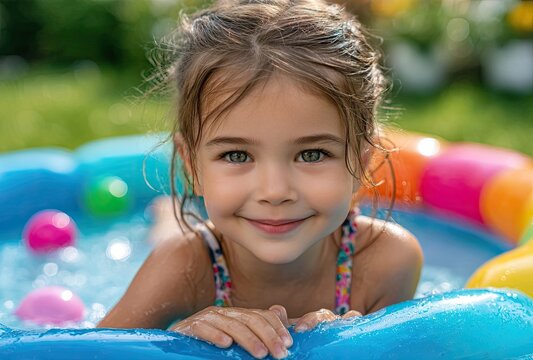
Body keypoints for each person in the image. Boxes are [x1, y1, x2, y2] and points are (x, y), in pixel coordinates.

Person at [97, 0, 423, 358]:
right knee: (171, 235)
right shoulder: (182, 267)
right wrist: (178, 339)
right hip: (192, 244)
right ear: (193, 167)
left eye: (312, 154)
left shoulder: (386, 262)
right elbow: (93, 351)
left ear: (360, 164)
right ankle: (167, 214)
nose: (275, 191)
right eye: (237, 155)